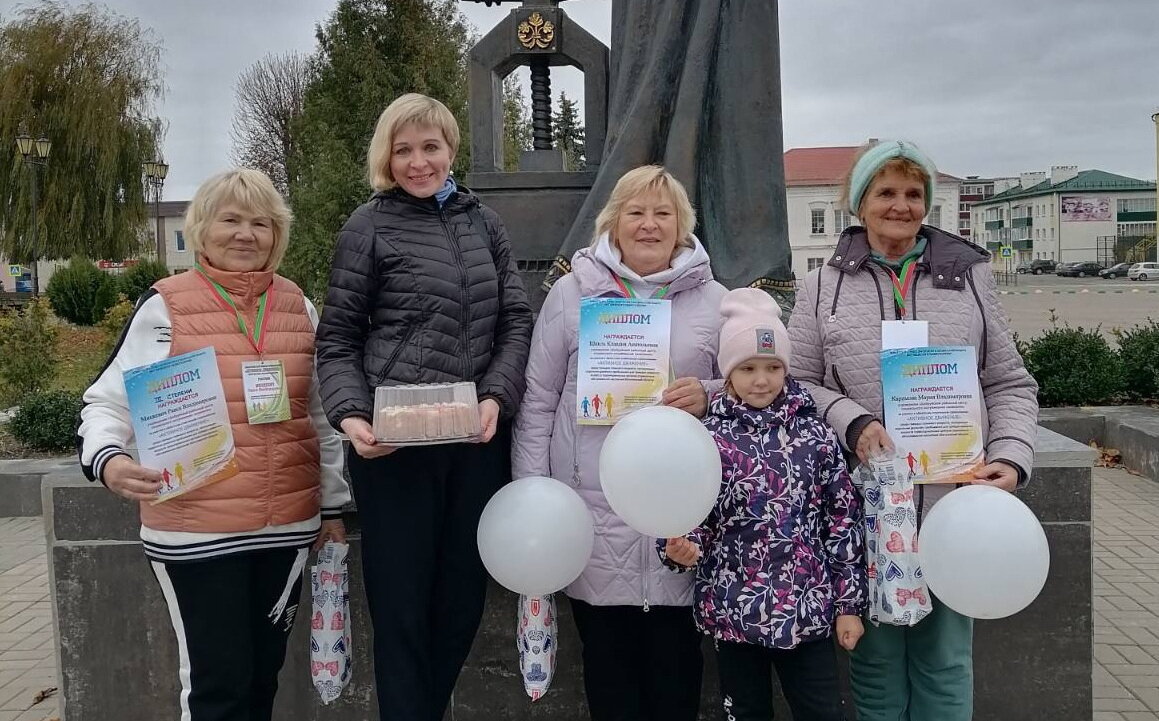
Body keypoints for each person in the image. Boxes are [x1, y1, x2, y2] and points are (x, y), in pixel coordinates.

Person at [77, 168, 350, 721]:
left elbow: (319, 416)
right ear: (201, 228)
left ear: (278, 234)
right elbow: (106, 403)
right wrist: (108, 460)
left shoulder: (299, 306)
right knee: (215, 688)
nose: (245, 234)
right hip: (196, 532)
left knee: (261, 681)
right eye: (230, 219)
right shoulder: (164, 307)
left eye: (261, 223)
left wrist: (333, 506)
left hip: (287, 529)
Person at [786, 140, 1039, 721]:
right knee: (874, 663)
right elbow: (798, 384)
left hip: (954, 500)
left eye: (913, 194)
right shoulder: (822, 285)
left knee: (945, 660)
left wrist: (1011, 454)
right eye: (886, 192)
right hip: (866, 505)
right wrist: (855, 422)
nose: (900, 206)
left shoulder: (969, 277)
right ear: (860, 203)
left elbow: (1008, 382)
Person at [314, 92, 532, 721]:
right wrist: (353, 417)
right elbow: (339, 338)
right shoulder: (368, 226)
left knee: (462, 604)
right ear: (386, 156)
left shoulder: (483, 223)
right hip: (395, 451)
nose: (418, 162)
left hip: (473, 446)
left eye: (430, 147)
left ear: (450, 150)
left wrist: (496, 395)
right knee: (403, 612)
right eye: (403, 149)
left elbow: (515, 321)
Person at [512, 165, 728, 721]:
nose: (650, 225)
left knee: (677, 676)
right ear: (613, 221)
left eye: (663, 214)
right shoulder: (571, 293)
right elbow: (538, 399)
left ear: (682, 226)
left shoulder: (715, 300)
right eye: (636, 212)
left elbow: (754, 390)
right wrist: (533, 498)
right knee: (609, 681)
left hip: (679, 524)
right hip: (592, 519)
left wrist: (708, 393)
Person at [660, 287, 866, 721]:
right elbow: (694, 511)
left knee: (821, 711)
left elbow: (842, 523)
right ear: (727, 373)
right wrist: (682, 546)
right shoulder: (708, 440)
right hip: (734, 612)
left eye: (773, 367)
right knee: (747, 711)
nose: (761, 380)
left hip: (807, 613)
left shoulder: (816, 437)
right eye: (748, 367)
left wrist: (848, 607)